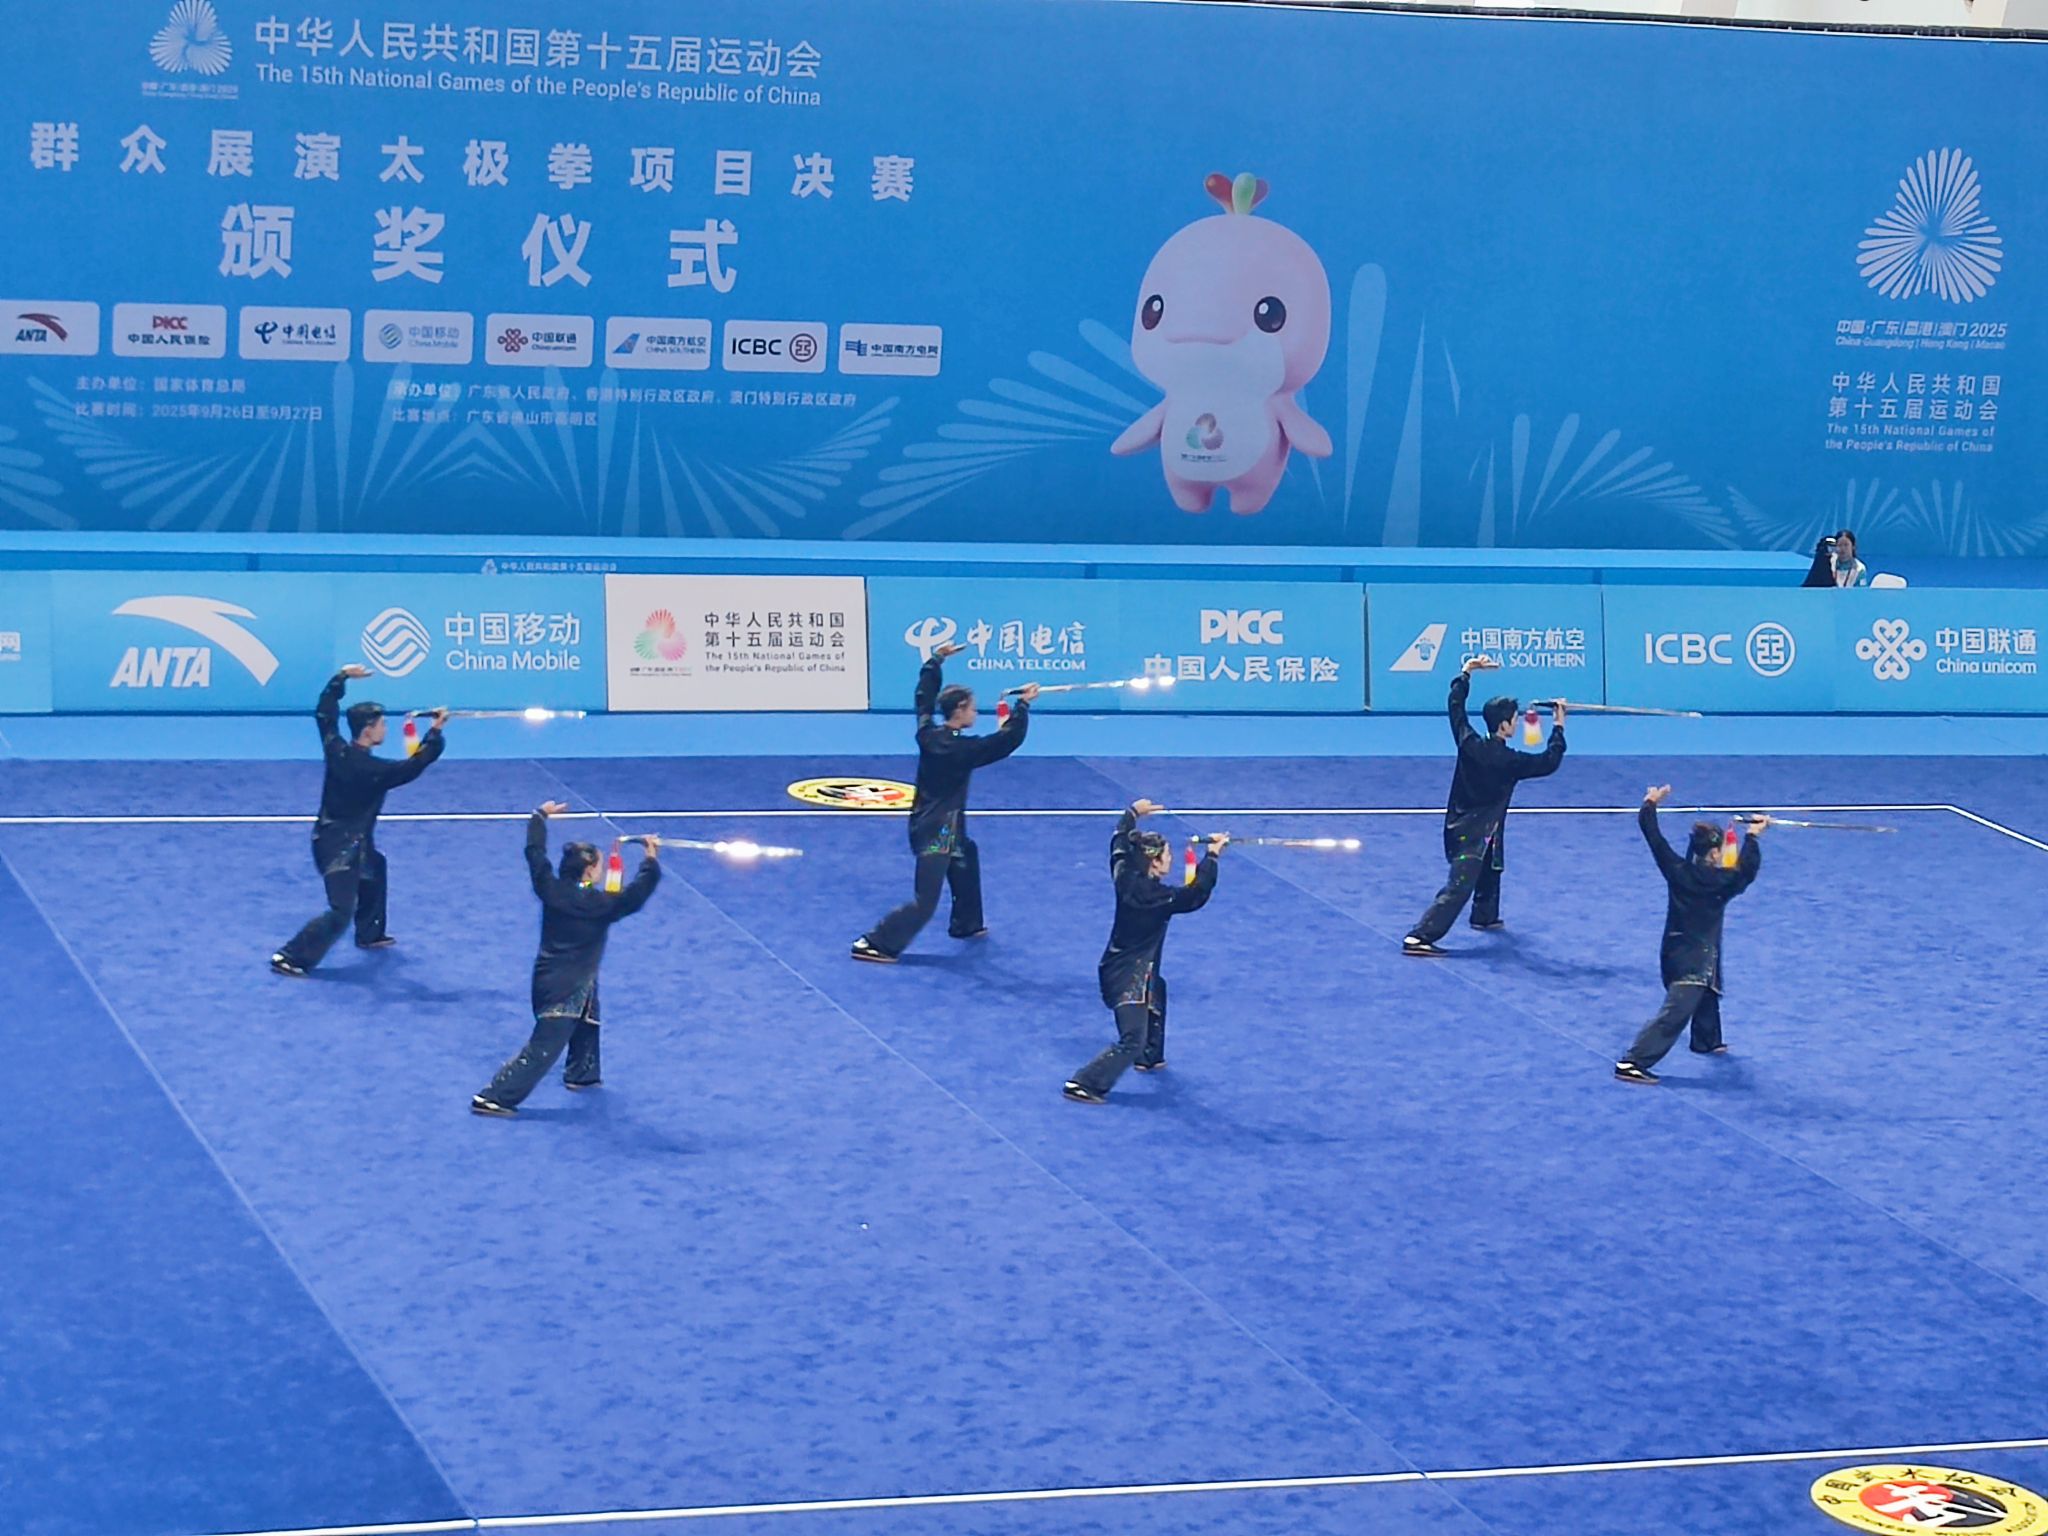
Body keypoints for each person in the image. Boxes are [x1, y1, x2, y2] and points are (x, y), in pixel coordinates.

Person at [851, 644, 1039, 962]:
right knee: (926, 901)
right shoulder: (962, 750)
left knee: (965, 853)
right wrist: (1022, 706)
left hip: (933, 820)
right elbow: (1006, 740)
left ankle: (967, 923)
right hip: (938, 832)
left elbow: (923, 696)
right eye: (973, 708)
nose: (975, 713)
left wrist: (936, 661)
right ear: (960, 709)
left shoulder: (928, 734)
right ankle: (876, 942)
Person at [472, 803, 662, 1116]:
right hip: (565, 987)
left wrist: (539, 817)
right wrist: (650, 862)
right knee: (545, 1045)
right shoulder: (600, 904)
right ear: (589, 871)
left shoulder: (550, 888)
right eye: (599, 865)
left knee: (587, 1012)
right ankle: (494, 1097)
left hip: (552, 975)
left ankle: (582, 1072)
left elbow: (535, 853)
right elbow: (635, 896)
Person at [271, 666, 447, 977]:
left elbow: (325, 713)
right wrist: (434, 733)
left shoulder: (335, 748)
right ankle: (289, 957)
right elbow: (413, 766)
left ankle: (369, 933)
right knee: (341, 911)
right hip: (339, 848)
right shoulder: (371, 769)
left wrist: (341, 678)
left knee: (375, 867)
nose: (385, 729)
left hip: (344, 837)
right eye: (381, 724)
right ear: (367, 729)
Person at [1402, 655, 1566, 956]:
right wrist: (1558, 726)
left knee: (1492, 863)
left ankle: (1484, 915)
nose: (1517, 723)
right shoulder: (1510, 760)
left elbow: (1456, 707)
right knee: (1459, 886)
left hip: (1463, 825)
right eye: (1514, 719)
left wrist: (1466, 673)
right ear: (1504, 725)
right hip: (1473, 835)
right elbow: (1549, 762)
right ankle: (1419, 936)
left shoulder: (1469, 742)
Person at [1064, 801, 1226, 1104]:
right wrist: (1213, 856)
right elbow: (1195, 894)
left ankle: (1150, 1056)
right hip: (1129, 976)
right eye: (1167, 855)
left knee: (1157, 990)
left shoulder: (1125, 874)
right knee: (1131, 1039)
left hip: (1131, 965)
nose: (1171, 859)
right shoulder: (1158, 897)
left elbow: (1119, 844)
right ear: (1154, 862)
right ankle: (1083, 1083)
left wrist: (1132, 814)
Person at [1613, 787, 1766, 1084]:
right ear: (1713, 853)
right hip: (1694, 963)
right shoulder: (1722, 882)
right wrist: (1753, 837)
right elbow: (1747, 871)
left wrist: (1650, 804)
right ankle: (1632, 1062)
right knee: (1675, 1013)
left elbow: (1653, 837)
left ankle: (1706, 1039)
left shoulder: (1677, 870)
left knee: (1707, 989)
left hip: (1673, 952)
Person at [1802, 529, 1867, 588]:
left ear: (1853, 547)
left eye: (1846, 545)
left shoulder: (1860, 568)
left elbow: (1862, 591)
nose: (1842, 549)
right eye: (1839, 545)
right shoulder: (1829, 562)